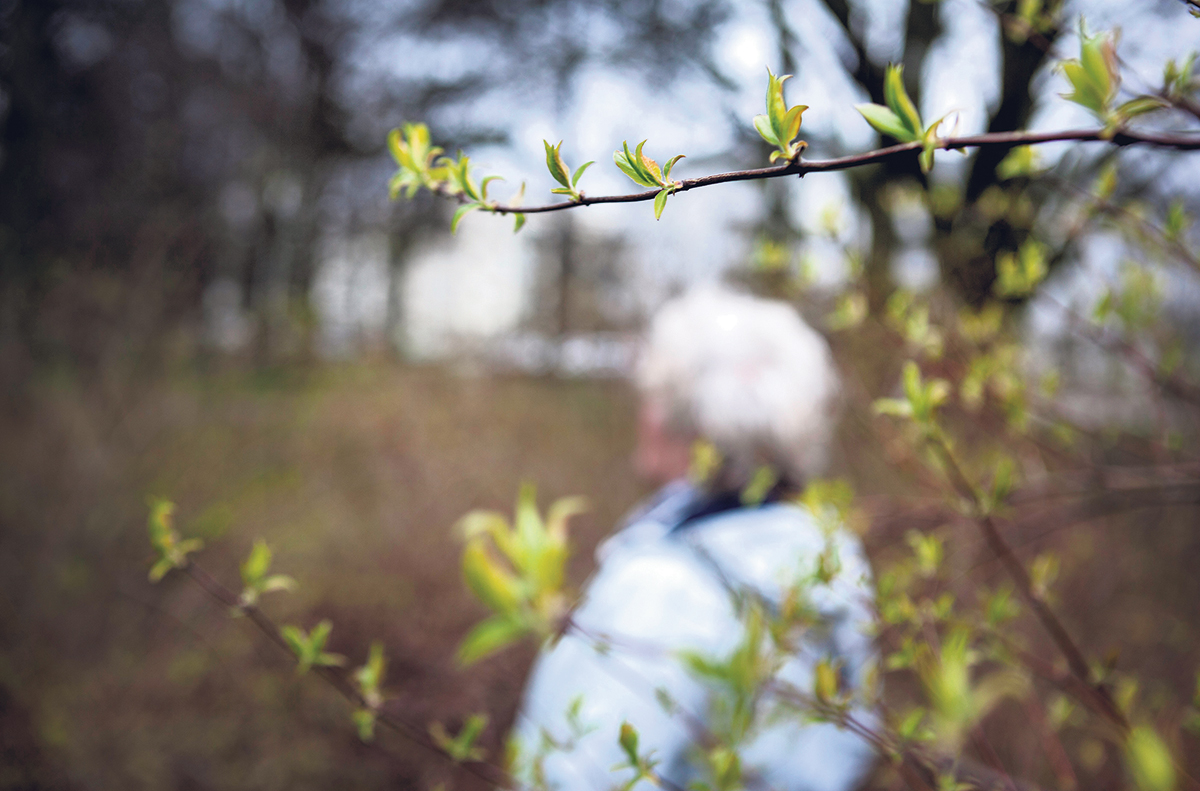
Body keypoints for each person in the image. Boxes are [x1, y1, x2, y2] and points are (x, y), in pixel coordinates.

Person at [511, 285, 878, 791]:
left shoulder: (665, 589)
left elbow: (578, 775)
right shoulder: (831, 561)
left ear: (685, 422)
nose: (645, 413)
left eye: (655, 396)